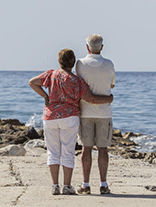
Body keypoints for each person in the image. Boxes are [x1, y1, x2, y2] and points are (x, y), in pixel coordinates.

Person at [28, 48, 113, 195]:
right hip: (69, 117)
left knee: (53, 152)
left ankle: (55, 186)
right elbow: (91, 98)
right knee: (67, 152)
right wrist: (109, 99)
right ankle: (67, 186)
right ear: (73, 63)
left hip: (50, 117)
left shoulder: (51, 74)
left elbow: (33, 82)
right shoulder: (76, 81)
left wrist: (45, 96)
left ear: (59, 61)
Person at [75, 34, 115, 195]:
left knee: (86, 149)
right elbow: (112, 85)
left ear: (87, 47)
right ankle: (103, 185)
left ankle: (85, 184)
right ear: (102, 47)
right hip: (104, 112)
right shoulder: (109, 64)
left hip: (85, 112)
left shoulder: (80, 64)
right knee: (103, 150)